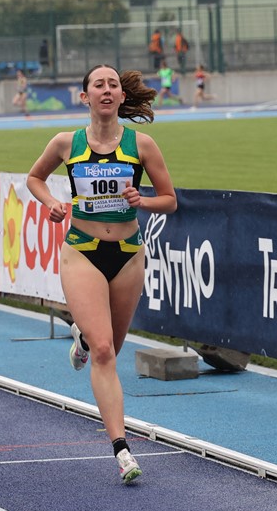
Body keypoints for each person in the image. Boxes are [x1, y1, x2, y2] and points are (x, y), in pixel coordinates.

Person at [26, 64, 177, 485]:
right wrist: (52, 203)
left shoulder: (141, 145)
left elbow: (170, 200)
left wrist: (142, 201)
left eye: (113, 84)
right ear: (85, 96)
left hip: (128, 255)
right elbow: (35, 178)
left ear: (122, 97)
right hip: (82, 251)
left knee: (111, 347)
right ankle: (121, 449)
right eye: (98, 85)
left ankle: (83, 339)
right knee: (106, 351)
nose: (106, 90)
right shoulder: (66, 143)